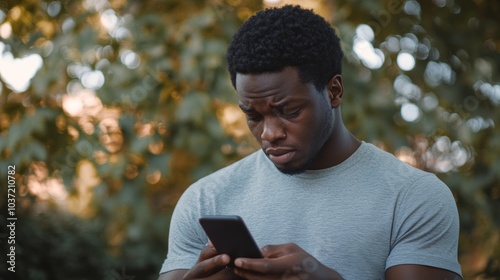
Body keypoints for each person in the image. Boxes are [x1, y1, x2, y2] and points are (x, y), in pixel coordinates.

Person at [158, 5, 462, 280]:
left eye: (289, 111)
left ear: (334, 92)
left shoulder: (413, 197)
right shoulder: (206, 200)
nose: (269, 133)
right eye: (253, 116)